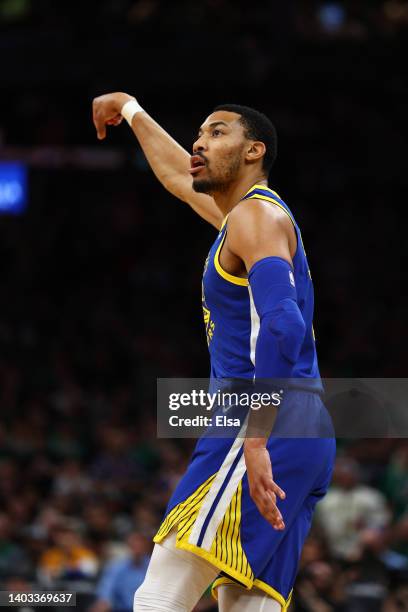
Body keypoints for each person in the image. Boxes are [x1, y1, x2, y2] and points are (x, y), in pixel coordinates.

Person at [92, 93, 336, 612]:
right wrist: (131, 110)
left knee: (161, 590)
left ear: (254, 151)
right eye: (199, 133)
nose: (200, 142)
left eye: (218, 132)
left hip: (259, 422)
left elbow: (284, 326)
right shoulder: (246, 220)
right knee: (247, 604)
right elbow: (180, 178)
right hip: (307, 431)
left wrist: (254, 441)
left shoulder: (254, 218)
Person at [89, 532, 151, 612]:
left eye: (140, 546)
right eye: (134, 546)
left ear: (146, 548)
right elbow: (106, 589)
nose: (137, 550)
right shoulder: (116, 567)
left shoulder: (152, 566)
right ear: (128, 547)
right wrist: (103, 602)